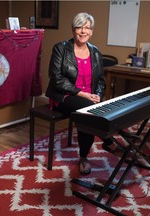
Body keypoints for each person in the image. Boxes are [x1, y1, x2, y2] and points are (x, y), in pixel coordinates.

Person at [46, 12, 112, 175]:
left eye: (87, 28)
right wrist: (83, 94)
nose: (83, 31)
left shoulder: (95, 52)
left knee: (96, 108)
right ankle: (91, 153)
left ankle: (110, 140)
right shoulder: (61, 48)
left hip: (88, 98)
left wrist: (97, 94)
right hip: (64, 96)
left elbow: (101, 80)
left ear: (92, 31)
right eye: (79, 27)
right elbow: (56, 78)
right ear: (73, 29)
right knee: (88, 111)